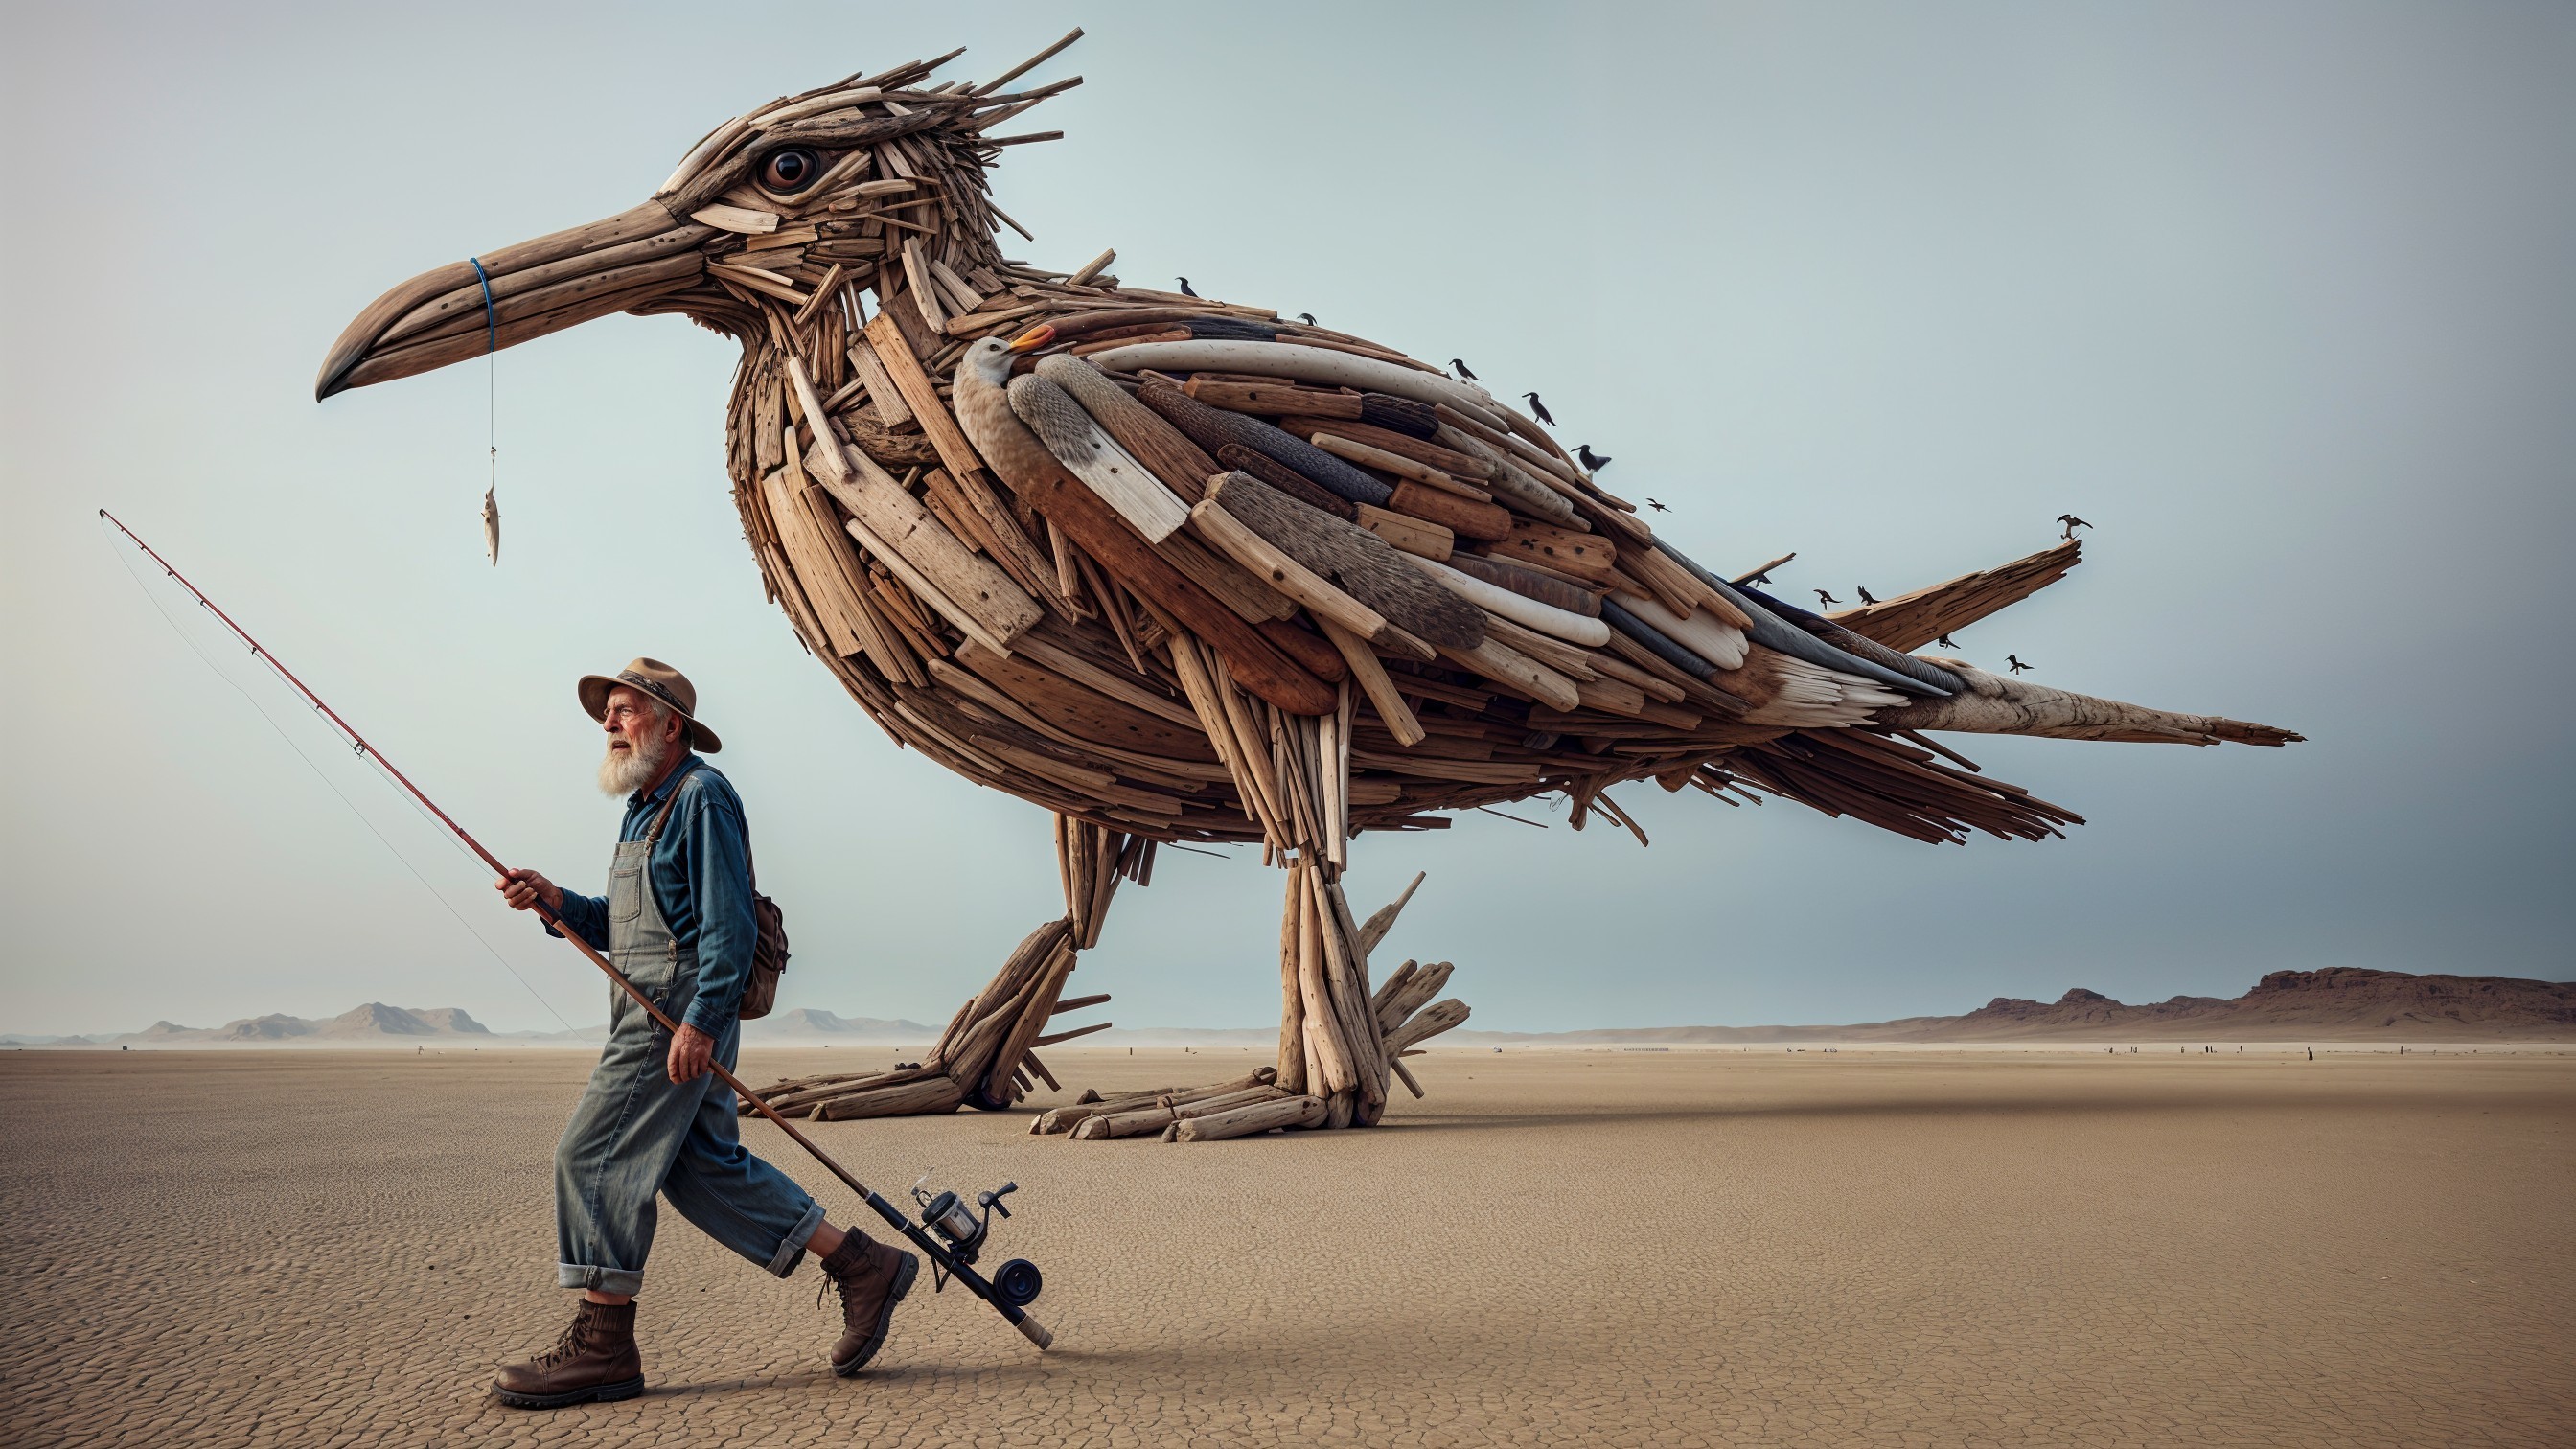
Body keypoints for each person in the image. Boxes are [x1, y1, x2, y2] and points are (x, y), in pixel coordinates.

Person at [487, 659, 916, 1409]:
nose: (610, 725)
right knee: (701, 1167)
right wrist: (556, 903)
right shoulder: (642, 808)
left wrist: (702, 1022)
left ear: (671, 723)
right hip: (652, 1006)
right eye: (607, 715)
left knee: (590, 1157)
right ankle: (862, 1263)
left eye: (624, 711)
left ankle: (603, 1344)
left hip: (674, 1014)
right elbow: (627, 929)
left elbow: (729, 925)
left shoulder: (703, 798)